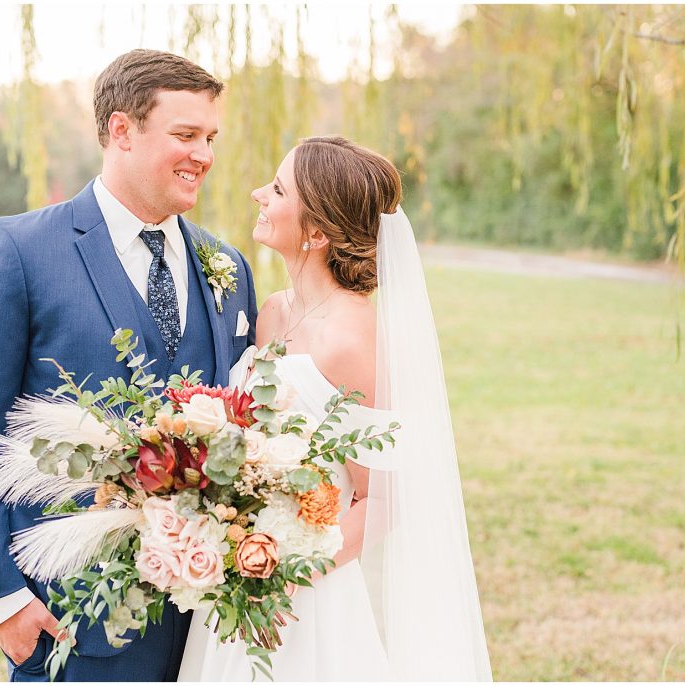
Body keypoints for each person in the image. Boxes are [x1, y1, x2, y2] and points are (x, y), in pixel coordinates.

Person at [0, 49, 258, 682]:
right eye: (186, 135)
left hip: (211, 628)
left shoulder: (229, 267)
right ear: (121, 130)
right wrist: (0, 598)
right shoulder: (19, 252)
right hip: (74, 621)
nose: (205, 155)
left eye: (210, 138)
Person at [177, 136, 492, 681]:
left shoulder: (353, 340)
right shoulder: (272, 313)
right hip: (235, 586)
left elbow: (384, 499)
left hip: (306, 596)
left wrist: (282, 574)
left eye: (276, 189)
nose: (258, 194)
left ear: (318, 233)